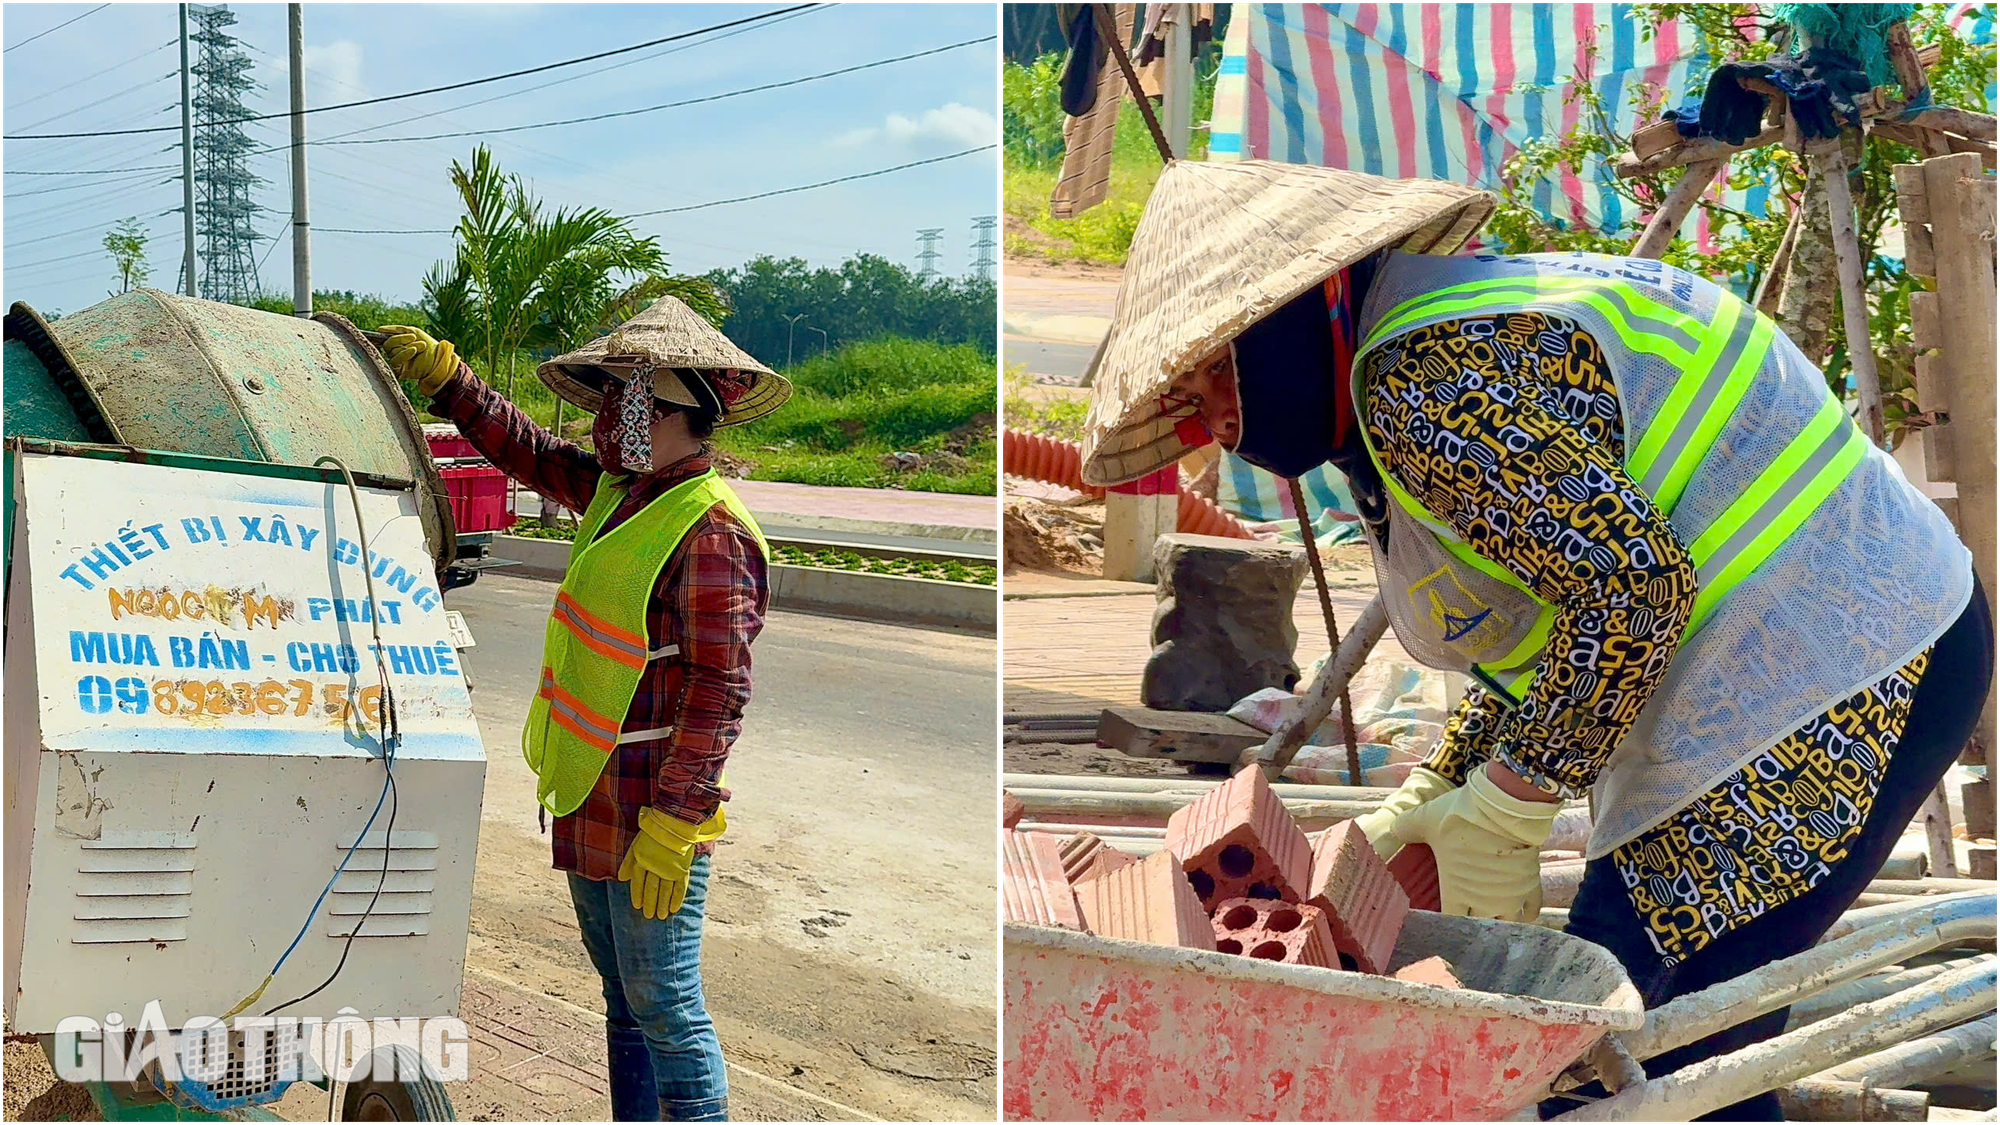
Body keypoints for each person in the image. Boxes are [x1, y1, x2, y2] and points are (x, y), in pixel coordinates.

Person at [1080, 159, 1993, 1123]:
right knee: (1674, 1057)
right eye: (1188, 402)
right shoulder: (1423, 343)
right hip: (1843, 644)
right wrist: (1444, 783)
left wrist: (1511, 803)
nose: (1218, 420)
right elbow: (1546, 615)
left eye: (1218, 371)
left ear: (1290, 313)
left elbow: (1631, 589)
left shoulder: (1425, 381)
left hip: (1836, 667)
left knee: (1632, 1059)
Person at [378, 297, 791, 1124]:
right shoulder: (620, 490)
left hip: (654, 809)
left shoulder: (711, 530)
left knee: (666, 1003)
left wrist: (675, 821)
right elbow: (529, 451)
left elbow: (720, 687)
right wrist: (453, 383)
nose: (609, 420)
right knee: (622, 998)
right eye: (608, 400)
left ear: (685, 416)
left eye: (628, 403)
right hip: (593, 791)